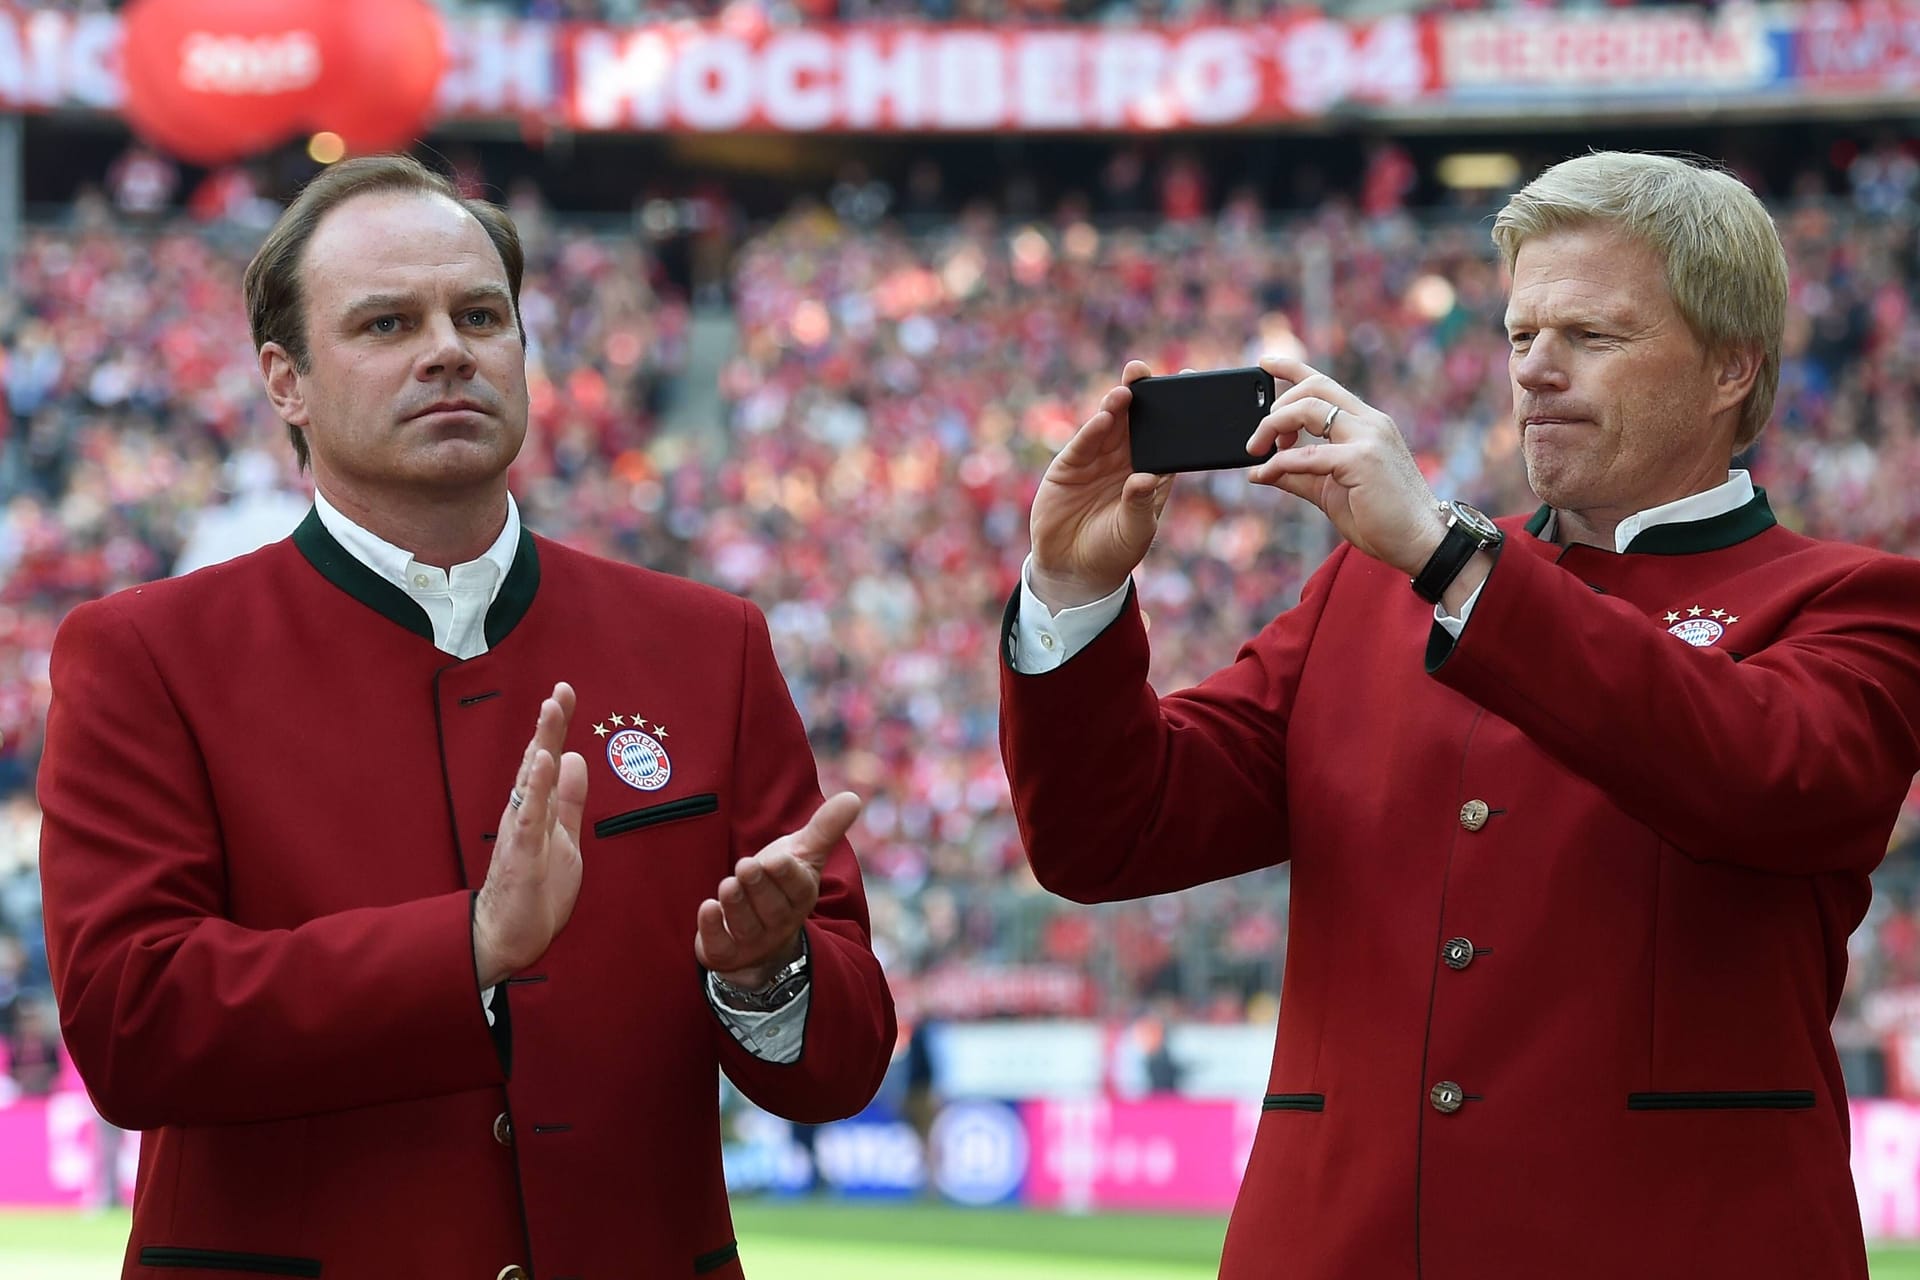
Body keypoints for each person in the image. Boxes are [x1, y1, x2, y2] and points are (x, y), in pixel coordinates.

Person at [999, 151, 1920, 1276]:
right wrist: (1073, 592)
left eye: (1591, 335)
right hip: (1336, 1244)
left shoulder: (1855, 600)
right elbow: (1111, 833)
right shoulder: (1367, 588)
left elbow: (1760, 772)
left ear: (1732, 367)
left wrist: (1450, 556)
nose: (1536, 370)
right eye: (1521, 334)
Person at [37, 155, 895, 1279]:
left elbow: (840, 1062)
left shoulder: (708, 642)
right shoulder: (146, 651)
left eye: (479, 313)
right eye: (388, 322)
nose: (449, 346)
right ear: (284, 379)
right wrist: (468, 948)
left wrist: (764, 976)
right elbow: (131, 1024)